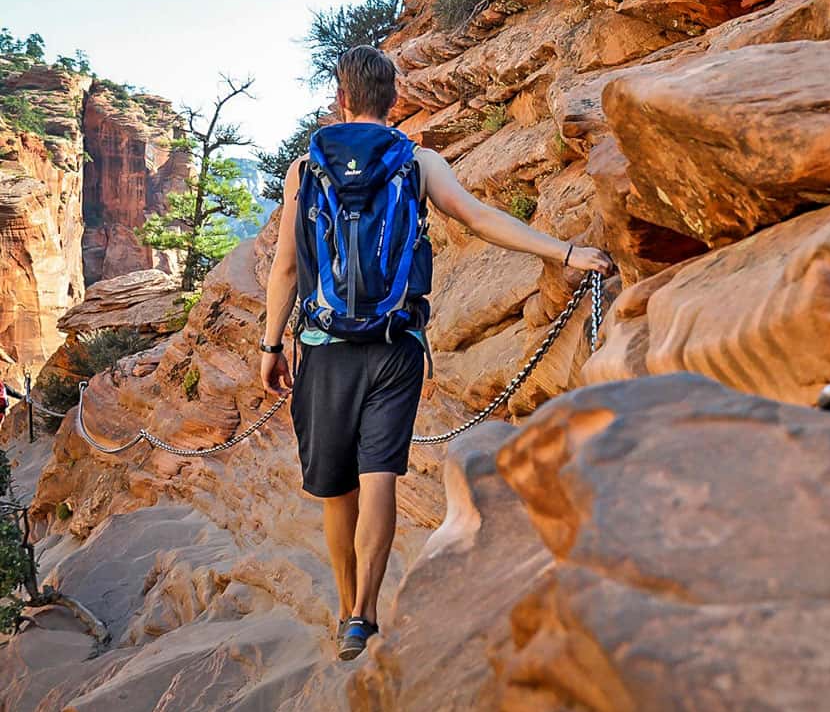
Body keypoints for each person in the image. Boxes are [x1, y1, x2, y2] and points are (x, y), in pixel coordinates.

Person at [259, 45, 613, 661]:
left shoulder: (304, 171)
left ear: (341, 99)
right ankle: (364, 616)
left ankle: (344, 607)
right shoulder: (417, 162)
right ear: (393, 100)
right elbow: (475, 218)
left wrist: (270, 344)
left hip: (323, 347)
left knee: (335, 488)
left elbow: (287, 266)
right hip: (395, 347)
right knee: (378, 479)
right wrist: (563, 252)